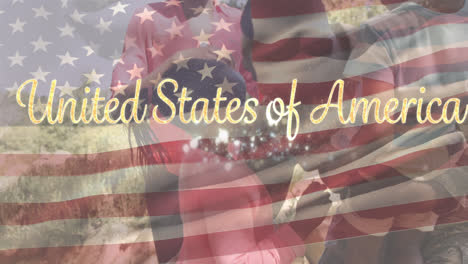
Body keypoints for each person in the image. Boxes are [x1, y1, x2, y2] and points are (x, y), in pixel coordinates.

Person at [112, 0, 328, 262]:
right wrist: (172, 66)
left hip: (234, 166)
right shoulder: (147, 19)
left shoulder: (239, 20)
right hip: (168, 176)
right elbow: (117, 105)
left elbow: (260, 94)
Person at [316, 0, 468, 263]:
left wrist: (340, 164)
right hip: (436, 171)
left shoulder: (381, 32)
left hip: (384, 179)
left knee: (359, 253)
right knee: (406, 250)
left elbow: (376, 130)